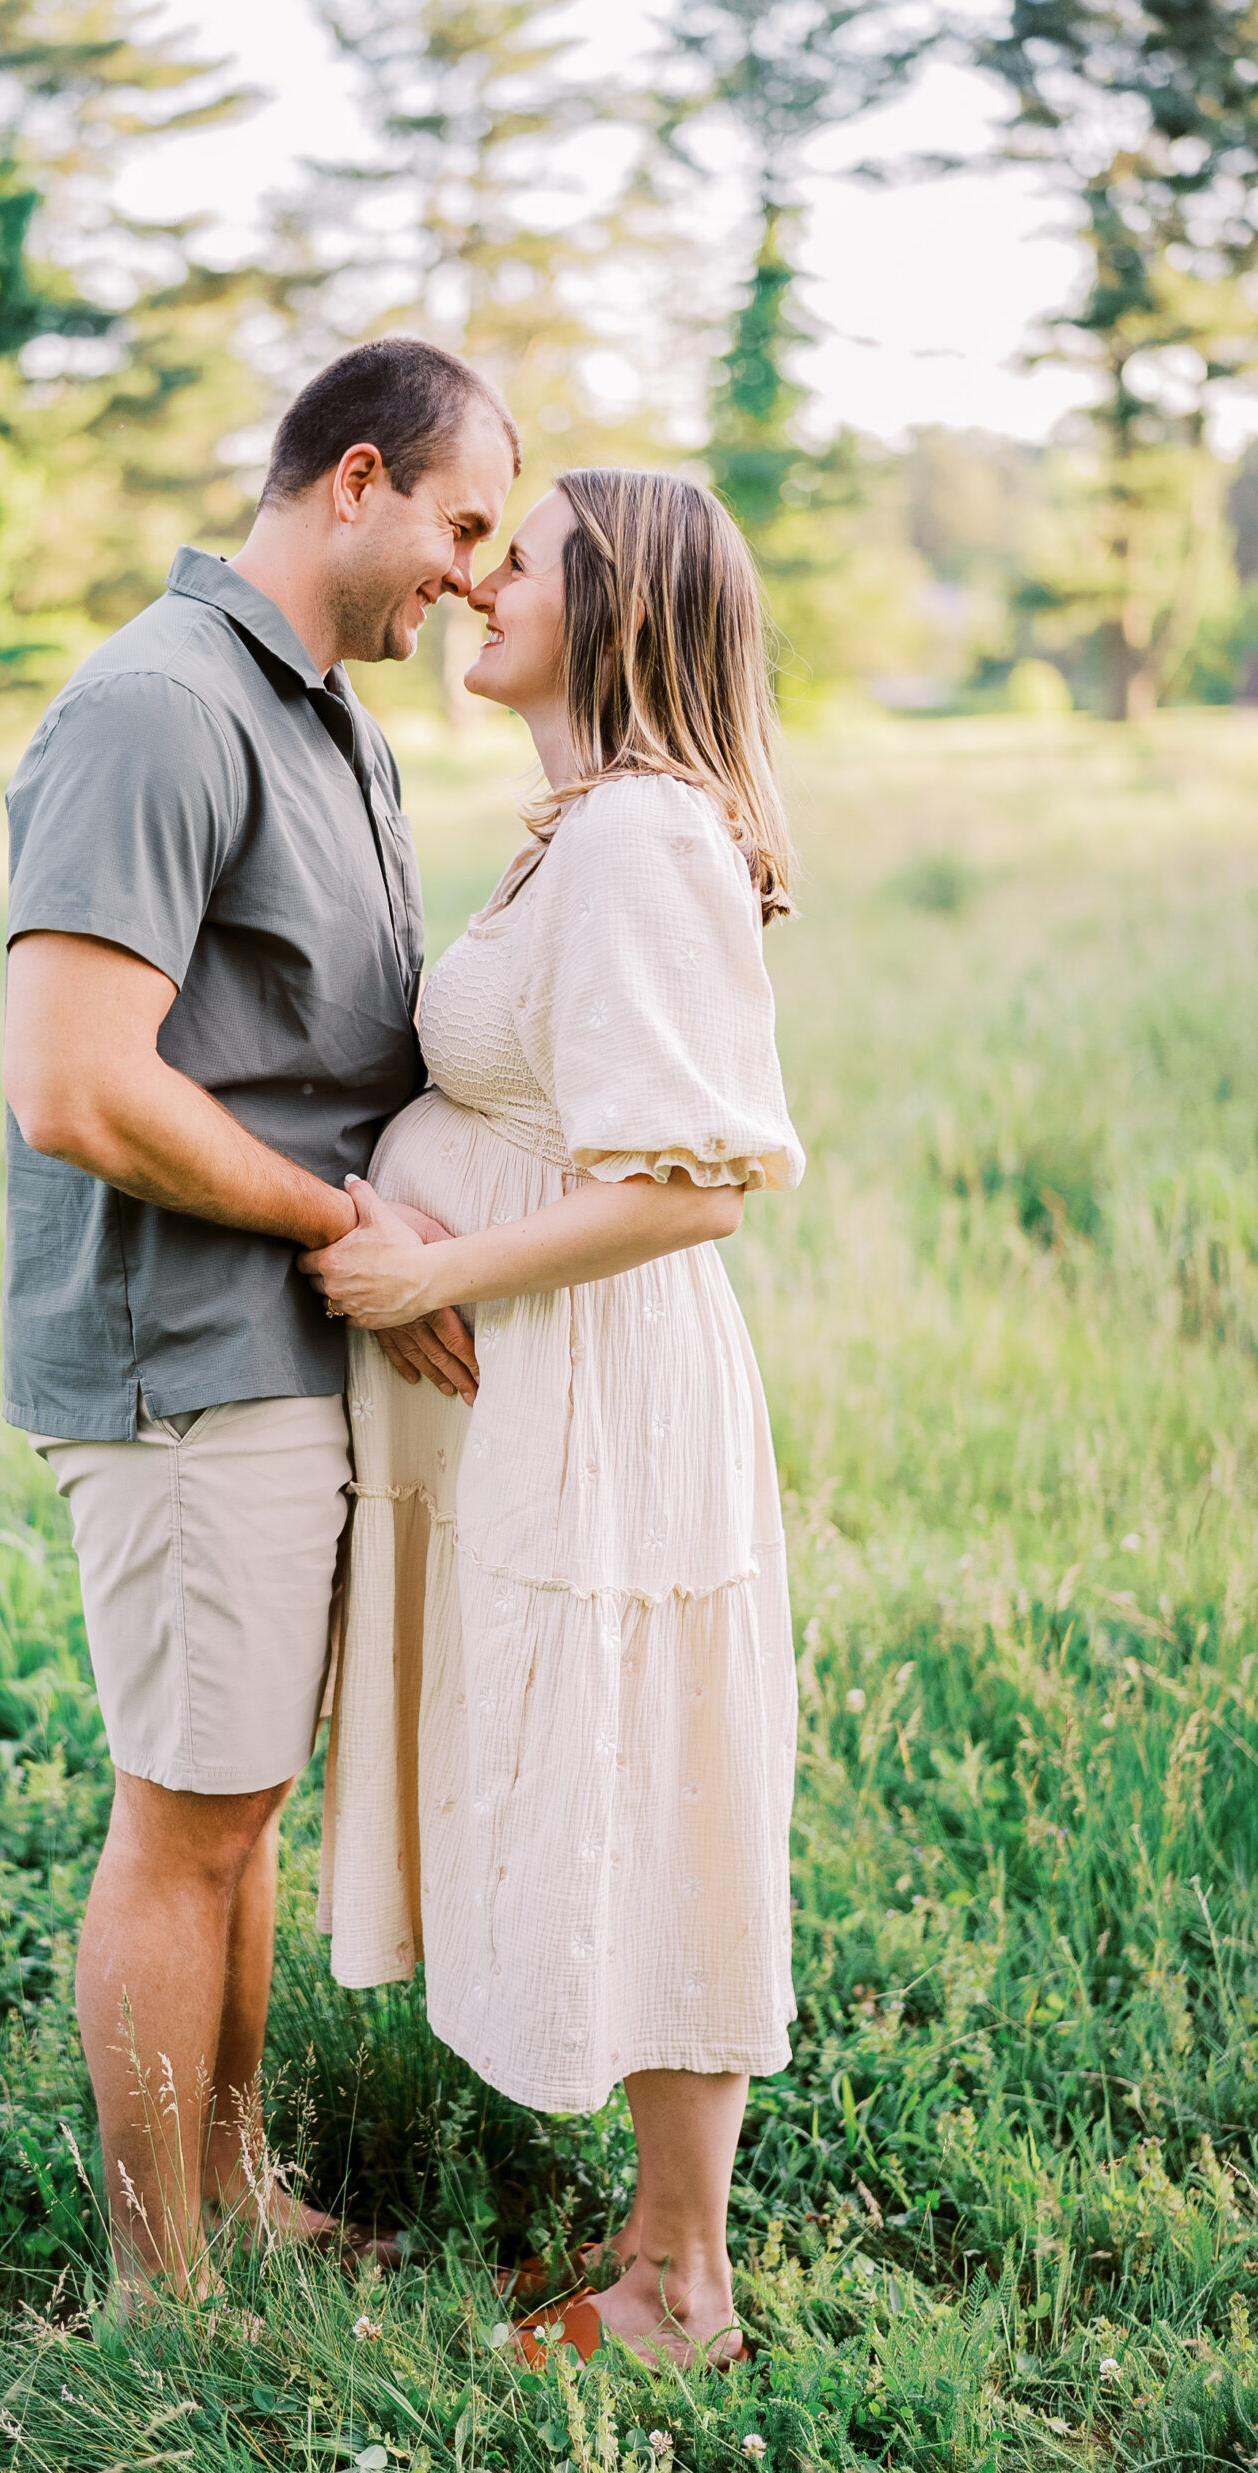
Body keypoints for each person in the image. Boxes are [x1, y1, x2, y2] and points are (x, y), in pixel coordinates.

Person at [0, 338, 519, 2293]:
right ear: (357, 477)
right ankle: (161, 2288)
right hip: (182, 1355)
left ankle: (236, 2193)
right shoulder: (158, 704)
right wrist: (341, 1221)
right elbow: (73, 1079)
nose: (472, 574)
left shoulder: (331, 722)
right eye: (461, 525)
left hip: (278, 1346)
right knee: (180, 1816)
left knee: (236, 1803)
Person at [305, 467, 805, 2368]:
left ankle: (683, 2287)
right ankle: (665, 2239)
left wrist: (433, 1276)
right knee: (621, 1762)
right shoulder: (581, 831)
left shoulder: (637, 840)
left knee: (662, 1780)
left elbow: (695, 1183)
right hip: (557, 1385)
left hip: (603, 1389)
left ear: (625, 610)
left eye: (526, 560)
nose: (479, 580)